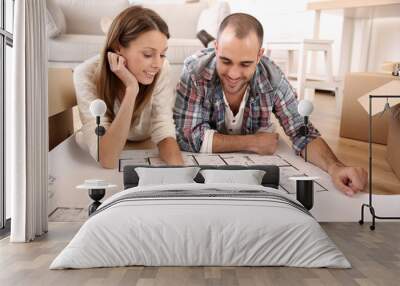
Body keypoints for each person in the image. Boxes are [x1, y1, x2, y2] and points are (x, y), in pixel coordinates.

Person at [174, 13, 367, 196]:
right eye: (225, 61)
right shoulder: (194, 71)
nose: (233, 74)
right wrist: (252, 142)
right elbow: (187, 137)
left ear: (259, 56)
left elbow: (302, 131)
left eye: (245, 64)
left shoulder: (273, 77)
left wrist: (336, 167)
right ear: (216, 48)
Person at [74, 6, 184, 168]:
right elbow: (107, 158)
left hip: (145, 143)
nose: (157, 64)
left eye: (162, 54)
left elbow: (163, 129)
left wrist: (183, 175)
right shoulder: (85, 74)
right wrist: (131, 89)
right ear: (118, 47)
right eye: (147, 54)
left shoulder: (162, 68)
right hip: (113, 144)